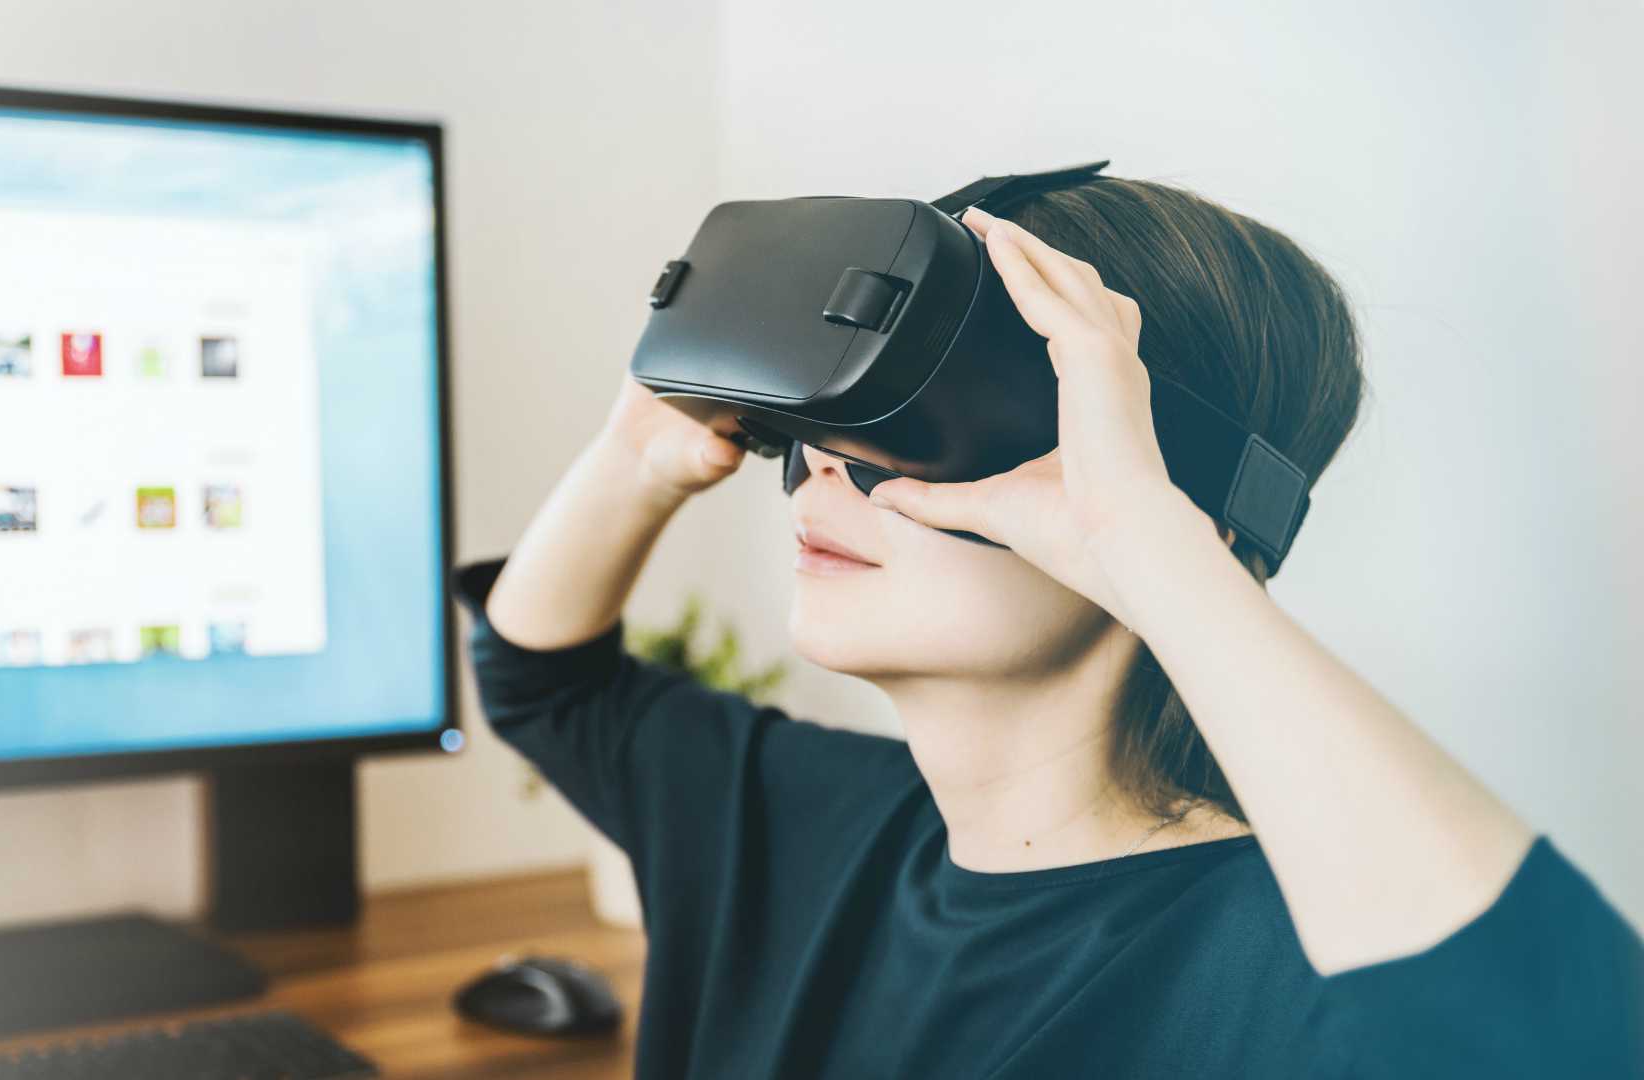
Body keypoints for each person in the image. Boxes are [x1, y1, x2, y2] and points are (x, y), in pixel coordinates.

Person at [448, 178, 1644, 1078]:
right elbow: (544, 685)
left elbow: (1558, 1037)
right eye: (838, 421)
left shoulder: (1277, 972)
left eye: (918, 425)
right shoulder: (799, 823)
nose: (830, 470)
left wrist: (1154, 546)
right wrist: (637, 457)